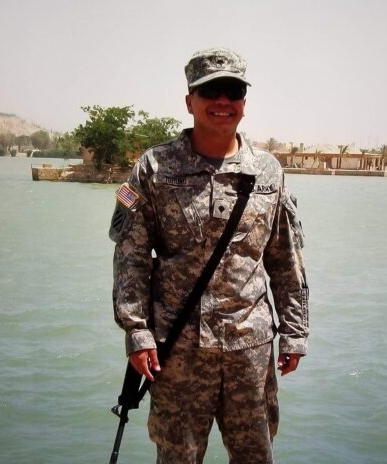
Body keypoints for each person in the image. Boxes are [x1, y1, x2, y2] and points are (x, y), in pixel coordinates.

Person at [109, 47, 309, 464]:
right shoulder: (153, 168)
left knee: (255, 455)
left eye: (232, 91)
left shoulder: (268, 171)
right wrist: (137, 332)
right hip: (177, 351)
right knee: (177, 457)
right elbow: (130, 257)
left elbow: (284, 259)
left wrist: (295, 330)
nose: (222, 101)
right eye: (210, 91)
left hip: (249, 348)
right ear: (189, 102)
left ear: (244, 102)